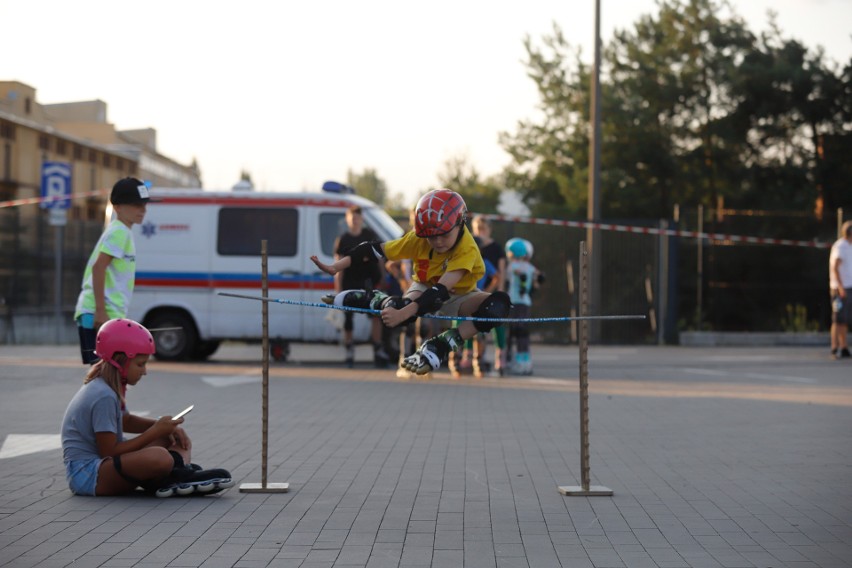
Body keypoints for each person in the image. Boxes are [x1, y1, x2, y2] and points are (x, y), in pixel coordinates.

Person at [310, 189, 511, 375]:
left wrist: (402, 314)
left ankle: (442, 344)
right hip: (424, 286)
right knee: (406, 310)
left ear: (460, 223)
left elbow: (440, 291)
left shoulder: (467, 248)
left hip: (460, 294)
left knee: (498, 307)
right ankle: (376, 300)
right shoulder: (418, 238)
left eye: (444, 235)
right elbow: (374, 250)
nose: (438, 241)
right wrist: (336, 266)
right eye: (431, 237)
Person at [60, 318, 234, 497]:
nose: (145, 371)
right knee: (160, 457)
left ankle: (172, 475)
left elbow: (125, 421)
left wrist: (165, 426)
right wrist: (155, 431)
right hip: (89, 476)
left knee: (174, 438)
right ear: (120, 361)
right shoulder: (103, 395)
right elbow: (109, 451)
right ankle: (174, 474)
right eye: (140, 364)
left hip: (104, 468)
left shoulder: (109, 385)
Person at [74, 177, 151, 365]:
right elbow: (98, 267)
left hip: (102, 313)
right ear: (117, 206)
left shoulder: (122, 230)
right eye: (135, 204)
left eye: (144, 204)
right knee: (106, 375)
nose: (143, 210)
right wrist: (101, 311)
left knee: (106, 376)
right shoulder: (120, 232)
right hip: (98, 314)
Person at [334, 205, 388, 368]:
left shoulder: (369, 235)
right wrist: (338, 288)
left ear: (362, 219)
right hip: (350, 282)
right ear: (347, 219)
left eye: (358, 217)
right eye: (352, 218)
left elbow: (379, 258)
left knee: (376, 315)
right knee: (348, 319)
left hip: (369, 282)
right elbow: (338, 265)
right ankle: (349, 351)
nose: (355, 220)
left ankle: (377, 350)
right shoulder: (343, 240)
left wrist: (383, 277)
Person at [505, 238, 543, 375]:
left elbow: (515, 274)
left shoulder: (512, 266)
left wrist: (522, 281)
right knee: (522, 331)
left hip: (514, 302)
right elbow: (539, 277)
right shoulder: (530, 267)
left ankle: (518, 361)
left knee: (516, 331)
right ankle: (523, 359)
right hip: (526, 302)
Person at [829, 221, 852, 360]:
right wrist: (840, 286)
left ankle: (844, 347)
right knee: (837, 319)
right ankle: (834, 347)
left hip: (849, 287)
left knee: (844, 319)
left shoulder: (849, 246)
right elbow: (835, 268)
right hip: (839, 289)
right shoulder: (841, 246)